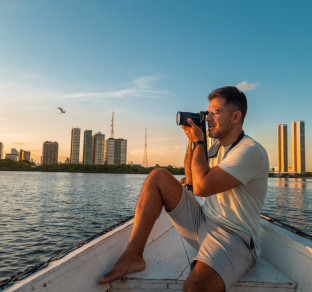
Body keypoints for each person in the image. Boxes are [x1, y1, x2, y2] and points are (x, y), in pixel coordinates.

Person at [98, 86, 269, 292]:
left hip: (234, 236)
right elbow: (190, 177)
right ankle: (133, 255)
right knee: (157, 177)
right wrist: (193, 142)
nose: (208, 118)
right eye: (207, 113)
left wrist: (199, 141)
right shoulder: (215, 148)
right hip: (204, 222)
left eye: (215, 112)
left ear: (235, 116)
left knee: (195, 287)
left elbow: (201, 187)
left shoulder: (249, 151)